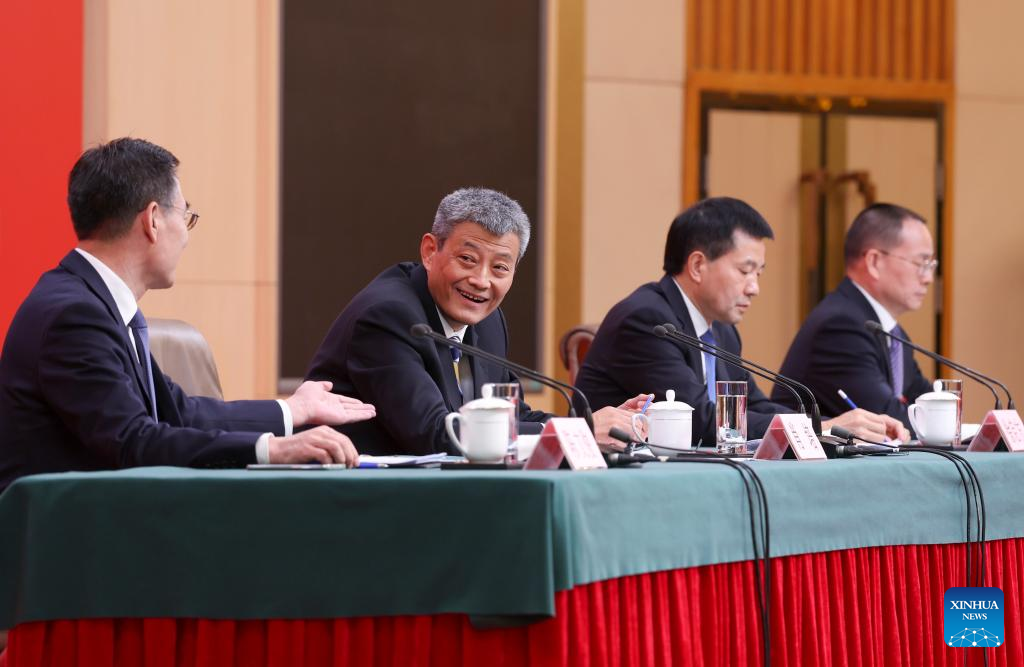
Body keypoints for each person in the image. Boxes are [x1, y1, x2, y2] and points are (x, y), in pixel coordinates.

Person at [0, 138, 375, 493]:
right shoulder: (75, 316)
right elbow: (134, 441)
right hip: (61, 533)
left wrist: (293, 410)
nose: (186, 236)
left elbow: (177, 412)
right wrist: (270, 450)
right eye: (186, 216)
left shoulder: (92, 303)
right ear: (152, 220)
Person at [306, 187, 647, 455]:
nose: (481, 281)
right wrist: (577, 432)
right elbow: (434, 434)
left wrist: (597, 425)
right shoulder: (388, 316)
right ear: (430, 251)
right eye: (468, 259)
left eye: (499, 267)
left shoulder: (488, 320)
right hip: (361, 497)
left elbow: (513, 418)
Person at [575, 197, 908, 446]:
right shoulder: (647, 321)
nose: (754, 288)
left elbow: (755, 405)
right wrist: (818, 428)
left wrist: (826, 425)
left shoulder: (722, 330)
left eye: (759, 273)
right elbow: (702, 421)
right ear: (697, 266)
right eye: (745, 271)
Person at [773, 204, 935, 429]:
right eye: (921, 263)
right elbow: (890, 421)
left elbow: (926, 403)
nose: (928, 278)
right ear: (874, 261)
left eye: (931, 265)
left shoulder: (894, 334)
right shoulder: (840, 327)